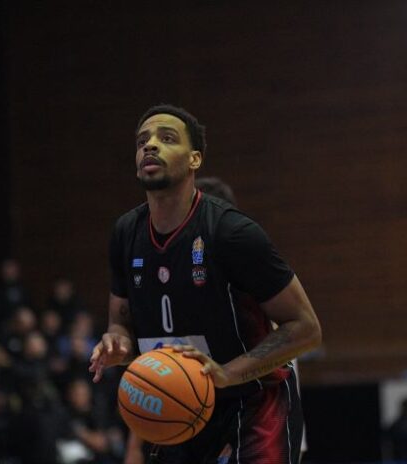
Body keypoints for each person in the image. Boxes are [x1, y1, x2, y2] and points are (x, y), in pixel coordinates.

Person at [89, 104, 322, 463]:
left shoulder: (232, 232)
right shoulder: (125, 233)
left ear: (195, 159)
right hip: (178, 400)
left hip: (252, 402)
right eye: (142, 141)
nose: (150, 145)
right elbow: (120, 322)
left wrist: (226, 374)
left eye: (167, 138)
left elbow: (306, 328)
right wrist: (117, 342)